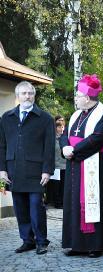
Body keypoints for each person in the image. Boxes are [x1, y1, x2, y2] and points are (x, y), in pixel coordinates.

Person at [60, 74, 103, 258]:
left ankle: (95, 244)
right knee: (75, 203)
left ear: (87, 97)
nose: (75, 98)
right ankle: (76, 244)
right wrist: (64, 147)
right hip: (75, 165)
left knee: (93, 203)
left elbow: (98, 138)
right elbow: (64, 134)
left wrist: (74, 150)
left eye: (78, 95)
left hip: (95, 165)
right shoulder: (76, 114)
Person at [0, 81, 55, 255]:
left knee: (36, 208)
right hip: (13, 170)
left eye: (30, 93)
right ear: (17, 96)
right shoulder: (6, 118)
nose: (27, 96)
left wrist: (47, 170)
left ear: (34, 95)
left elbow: (49, 147)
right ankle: (27, 240)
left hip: (36, 172)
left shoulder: (45, 118)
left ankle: (41, 241)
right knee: (20, 208)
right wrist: (2, 169)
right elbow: (1, 145)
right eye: (23, 93)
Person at [47, 117, 66, 208]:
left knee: (63, 185)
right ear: (55, 128)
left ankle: (62, 202)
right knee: (56, 186)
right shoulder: (52, 139)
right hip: (56, 166)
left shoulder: (65, 138)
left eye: (62, 127)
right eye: (59, 127)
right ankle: (57, 203)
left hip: (65, 166)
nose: (61, 129)